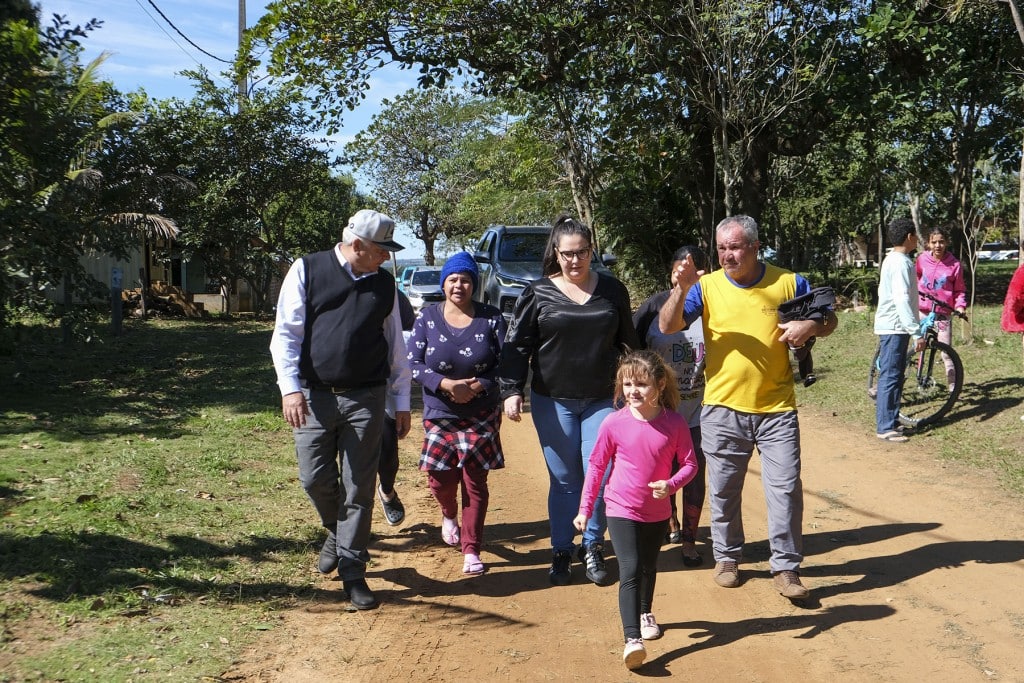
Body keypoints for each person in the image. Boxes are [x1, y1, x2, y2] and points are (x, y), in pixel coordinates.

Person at [658, 215, 837, 600]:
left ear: (755, 246)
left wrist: (810, 327)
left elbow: (828, 317)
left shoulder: (789, 282)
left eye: (735, 247)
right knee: (723, 489)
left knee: (785, 489)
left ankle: (786, 568)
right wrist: (681, 289)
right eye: (722, 248)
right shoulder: (705, 287)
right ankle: (726, 557)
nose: (728, 255)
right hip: (723, 408)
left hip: (777, 409)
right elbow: (668, 325)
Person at [269, 209, 411, 611]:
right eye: (381, 250)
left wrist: (401, 401)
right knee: (314, 477)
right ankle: (336, 530)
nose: (386, 257)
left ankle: (353, 571)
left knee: (359, 486)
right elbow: (286, 334)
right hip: (314, 396)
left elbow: (396, 346)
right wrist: (290, 390)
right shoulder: (307, 269)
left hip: (366, 397)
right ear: (358, 245)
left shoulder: (385, 284)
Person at [501, 214, 641, 587]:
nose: (574, 261)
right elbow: (516, 345)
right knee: (565, 480)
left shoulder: (613, 291)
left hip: (603, 399)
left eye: (581, 252)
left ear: (591, 251)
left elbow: (629, 344)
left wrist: (639, 390)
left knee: (600, 476)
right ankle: (561, 549)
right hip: (553, 400)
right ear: (556, 254)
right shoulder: (538, 293)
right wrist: (512, 389)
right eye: (567, 255)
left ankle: (592, 545)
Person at [573, 351, 698, 670]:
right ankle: (632, 640)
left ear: (659, 384)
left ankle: (645, 612)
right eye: (627, 384)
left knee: (648, 566)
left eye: (641, 384)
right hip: (620, 506)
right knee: (629, 568)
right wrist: (585, 509)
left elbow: (690, 465)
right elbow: (597, 466)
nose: (633, 391)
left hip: (656, 512)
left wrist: (670, 486)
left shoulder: (674, 422)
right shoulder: (613, 422)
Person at [407, 252, 506, 576]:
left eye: (465, 279)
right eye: (453, 279)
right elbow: (413, 364)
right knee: (440, 480)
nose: (459, 285)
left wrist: (478, 386)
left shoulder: (491, 318)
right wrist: (446, 384)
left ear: (474, 284)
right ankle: (448, 513)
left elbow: (505, 363)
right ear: (444, 283)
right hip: (440, 411)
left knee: (475, 481)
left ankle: (471, 549)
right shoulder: (427, 317)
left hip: (482, 412)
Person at [632, 245, 710, 567]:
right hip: (659, 415)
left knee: (694, 476)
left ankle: (689, 540)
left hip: (700, 412)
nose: (685, 277)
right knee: (663, 473)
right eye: (679, 272)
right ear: (671, 274)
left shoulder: (711, 306)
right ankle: (670, 519)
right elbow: (632, 352)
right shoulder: (652, 308)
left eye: (692, 273)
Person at [875, 218, 926, 444]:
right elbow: (902, 300)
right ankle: (885, 426)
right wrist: (916, 331)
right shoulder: (900, 263)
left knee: (895, 376)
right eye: (915, 234)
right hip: (895, 327)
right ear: (908, 236)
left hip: (897, 326)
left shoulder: (896, 260)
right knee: (890, 376)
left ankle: (892, 420)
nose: (917, 238)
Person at [376, 289, 416, 527]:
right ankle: (351, 528)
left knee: (387, 452)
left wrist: (402, 399)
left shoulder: (390, 293)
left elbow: (405, 339)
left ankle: (387, 491)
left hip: (383, 386)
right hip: (342, 390)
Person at [916, 226, 967, 386]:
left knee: (946, 350)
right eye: (934, 242)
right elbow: (916, 277)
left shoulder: (954, 265)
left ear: (947, 243)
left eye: (941, 242)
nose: (938, 245)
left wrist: (960, 306)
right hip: (923, 312)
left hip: (943, 313)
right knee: (919, 346)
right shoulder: (922, 259)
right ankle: (919, 377)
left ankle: (952, 384)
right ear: (928, 243)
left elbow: (959, 290)